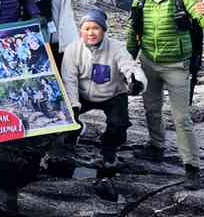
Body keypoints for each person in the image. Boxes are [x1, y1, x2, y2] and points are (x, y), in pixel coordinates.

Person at [127, 0, 204, 189]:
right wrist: (127, 60)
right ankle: (156, 147)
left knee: (181, 117)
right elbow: (133, 31)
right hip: (148, 62)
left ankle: (192, 166)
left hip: (177, 65)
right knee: (151, 108)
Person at [62, 9, 147, 168]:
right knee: (63, 115)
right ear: (81, 31)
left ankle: (109, 151)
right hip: (83, 94)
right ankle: (74, 131)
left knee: (118, 124)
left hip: (112, 94)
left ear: (103, 30)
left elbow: (129, 66)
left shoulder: (116, 47)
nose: (91, 33)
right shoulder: (72, 49)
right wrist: (73, 104)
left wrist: (137, 82)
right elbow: (69, 79)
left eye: (96, 28)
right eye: (87, 29)